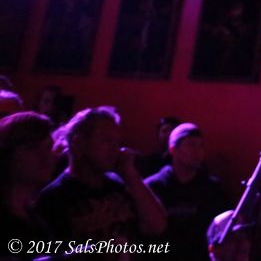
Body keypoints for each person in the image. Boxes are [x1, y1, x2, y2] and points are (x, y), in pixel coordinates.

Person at [34, 106, 167, 247]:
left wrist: (131, 176)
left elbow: (157, 227)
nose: (115, 149)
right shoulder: (53, 198)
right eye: (107, 141)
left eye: (117, 143)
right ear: (78, 143)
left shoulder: (118, 185)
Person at [145, 123, 229, 259]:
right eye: (191, 145)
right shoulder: (153, 187)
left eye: (201, 146)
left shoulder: (212, 189)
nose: (198, 151)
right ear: (173, 150)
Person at [0, 112, 56, 260]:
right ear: (7, 155)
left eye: (48, 147)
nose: (46, 157)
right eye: (32, 148)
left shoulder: (37, 215)